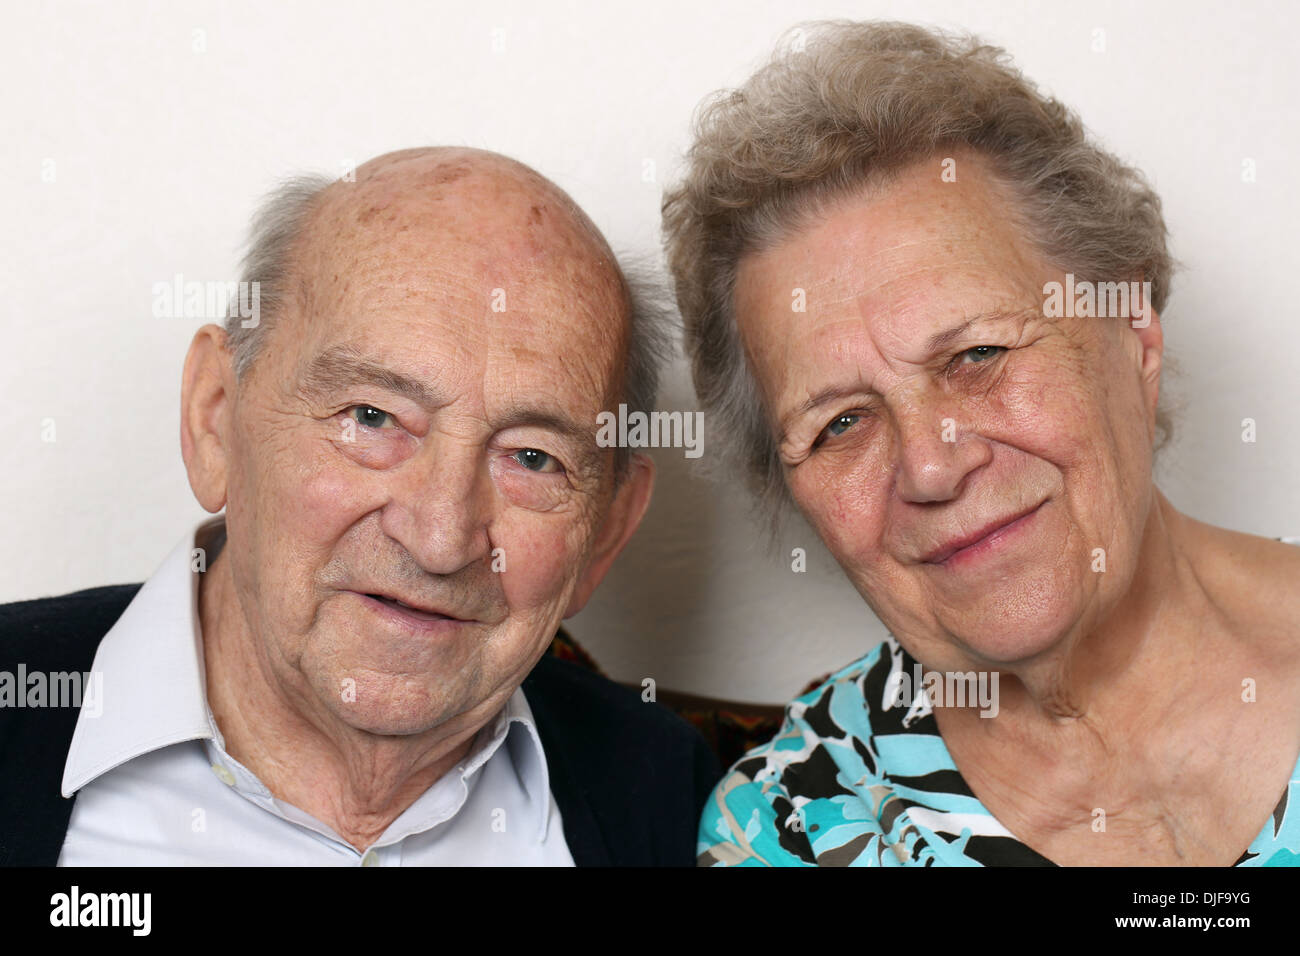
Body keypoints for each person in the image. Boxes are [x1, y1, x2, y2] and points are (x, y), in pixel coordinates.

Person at [662, 21, 1300, 866]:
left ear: (1135, 337)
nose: (930, 465)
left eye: (977, 355)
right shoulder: (787, 828)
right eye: (840, 423)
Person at [0, 146, 719, 866]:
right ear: (216, 419)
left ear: (606, 532)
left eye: (532, 458)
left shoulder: (672, 798)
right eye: (372, 417)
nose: (440, 538)